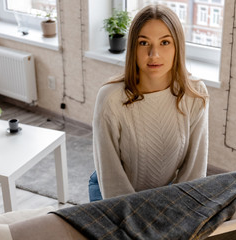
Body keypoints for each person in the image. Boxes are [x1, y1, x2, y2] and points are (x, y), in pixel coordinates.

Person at [89, 4, 209, 201]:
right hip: (110, 191)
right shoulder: (110, 98)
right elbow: (112, 179)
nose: (154, 55)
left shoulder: (195, 94)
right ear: (133, 48)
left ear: (177, 46)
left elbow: (194, 172)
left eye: (165, 42)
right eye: (144, 43)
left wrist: (178, 209)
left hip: (164, 189)